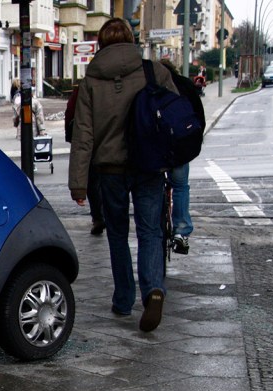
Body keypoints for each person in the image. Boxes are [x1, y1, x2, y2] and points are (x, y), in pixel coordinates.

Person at [68, 17, 178, 332]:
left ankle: (123, 299)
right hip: (148, 165)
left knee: (117, 234)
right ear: (131, 41)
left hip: (109, 169)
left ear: (100, 45)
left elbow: (83, 135)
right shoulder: (152, 71)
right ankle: (153, 289)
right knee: (150, 232)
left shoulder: (90, 82)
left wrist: (78, 183)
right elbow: (173, 113)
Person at [160, 59, 206, 255]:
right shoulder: (185, 85)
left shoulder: (149, 87)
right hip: (180, 146)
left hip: (155, 149)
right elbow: (199, 117)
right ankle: (181, 231)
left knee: (152, 188)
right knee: (180, 186)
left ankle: (155, 228)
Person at [64, 83, 104, 235]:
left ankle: (98, 217)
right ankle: (107, 216)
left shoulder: (84, 87)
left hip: (90, 141)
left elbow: (71, 113)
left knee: (93, 181)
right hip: (115, 143)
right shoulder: (124, 83)